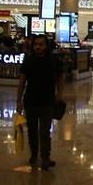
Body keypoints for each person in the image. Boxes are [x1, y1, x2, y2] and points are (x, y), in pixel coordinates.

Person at [16, 35, 63, 170]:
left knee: (44, 131)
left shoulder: (54, 61)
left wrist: (59, 95)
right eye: (36, 44)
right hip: (30, 101)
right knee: (32, 131)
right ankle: (34, 155)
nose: (38, 47)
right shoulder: (28, 60)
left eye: (41, 44)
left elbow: (60, 78)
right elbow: (22, 81)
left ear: (46, 46)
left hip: (48, 102)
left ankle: (45, 158)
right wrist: (18, 100)